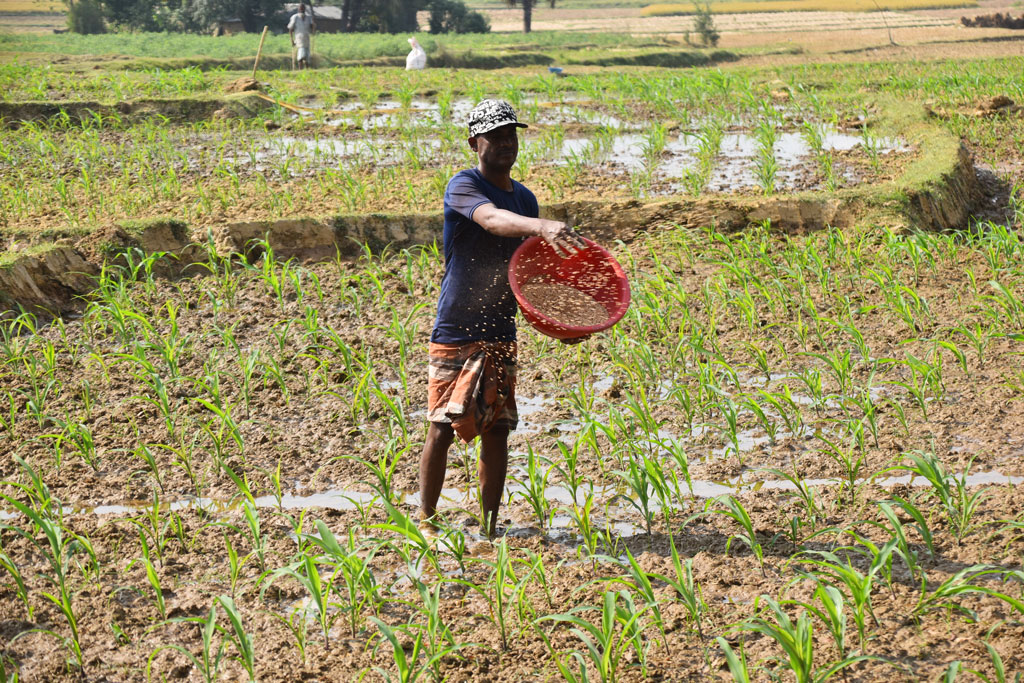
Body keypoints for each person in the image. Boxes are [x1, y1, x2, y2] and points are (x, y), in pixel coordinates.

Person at [418, 99, 586, 539]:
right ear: (475, 142)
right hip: (456, 326)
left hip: (499, 327)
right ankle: (427, 520)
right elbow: (492, 221)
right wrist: (539, 225)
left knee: (497, 430)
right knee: (441, 424)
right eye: (496, 136)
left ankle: (490, 528)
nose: (506, 144)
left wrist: (557, 321)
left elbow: (526, 273)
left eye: (512, 135)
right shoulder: (463, 185)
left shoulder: (524, 197)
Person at [287, 3, 315, 70]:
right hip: (299, 38)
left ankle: (307, 69)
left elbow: (312, 26)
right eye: (300, 8)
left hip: (307, 38)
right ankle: (300, 69)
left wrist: (313, 26)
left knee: (307, 55)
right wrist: (292, 40)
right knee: (301, 54)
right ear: (298, 9)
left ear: (305, 9)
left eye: (303, 8)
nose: (302, 9)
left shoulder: (309, 17)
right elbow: (290, 29)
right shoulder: (295, 17)